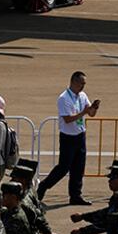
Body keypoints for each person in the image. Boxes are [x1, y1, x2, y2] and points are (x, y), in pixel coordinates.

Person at [39, 71, 98, 206]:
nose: (83, 86)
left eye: (84, 84)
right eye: (81, 83)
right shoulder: (64, 98)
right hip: (68, 137)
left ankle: (75, 195)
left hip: (80, 135)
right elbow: (67, 119)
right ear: (73, 82)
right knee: (63, 167)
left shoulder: (82, 96)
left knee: (79, 167)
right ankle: (43, 186)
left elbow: (91, 114)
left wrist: (94, 108)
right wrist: (84, 112)